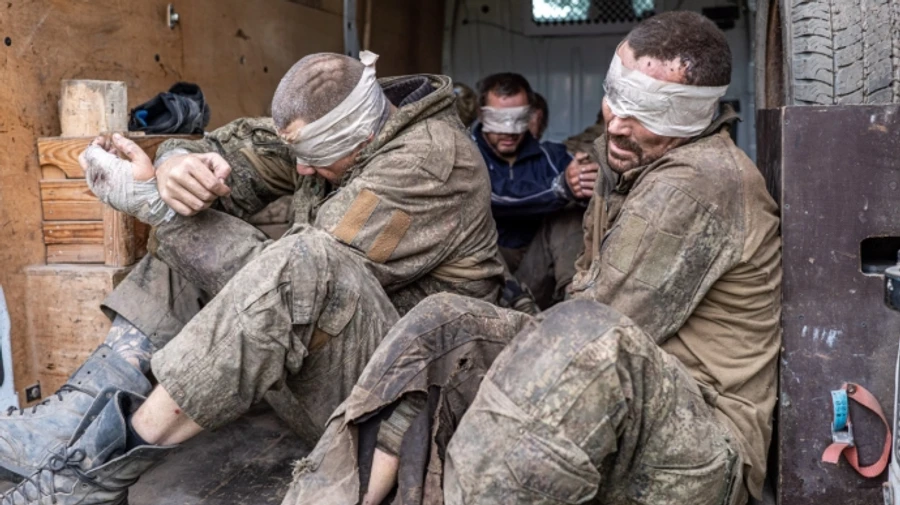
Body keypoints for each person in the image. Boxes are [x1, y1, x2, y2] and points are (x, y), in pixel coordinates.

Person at [284, 11, 781, 505]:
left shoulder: (697, 184)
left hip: (701, 442)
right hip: (621, 387)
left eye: (648, 110)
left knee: (567, 345)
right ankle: (336, 496)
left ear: (695, 114)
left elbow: (595, 329)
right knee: (441, 320)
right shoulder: (629, 157)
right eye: (615, 95)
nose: (616, 122)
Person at [0, 51, 505, 504]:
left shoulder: (431, 164)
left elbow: (295, 285)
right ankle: (81, 414)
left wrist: (155, 205)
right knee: (190, 213)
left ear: (364, 136)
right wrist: (175, 168)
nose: (301, 170)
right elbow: (234, 148)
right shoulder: (338, 123)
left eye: (314, 159)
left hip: (400, 400)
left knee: (280, 254)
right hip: (331, 369)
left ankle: (89, 479)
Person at [474, 73, 598, 308]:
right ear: (481, 115)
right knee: (467, 224)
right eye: (499, 119)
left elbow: (587, 195)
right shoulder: (466, 155)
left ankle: (575, 300)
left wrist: (585, 182)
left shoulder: (552, 157)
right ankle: (515, 301)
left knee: (570, 213)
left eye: (518, 118)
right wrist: (559, 188)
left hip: (537, 269)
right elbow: (490, 195)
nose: (509, 131)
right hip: (489, 275)